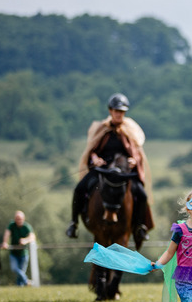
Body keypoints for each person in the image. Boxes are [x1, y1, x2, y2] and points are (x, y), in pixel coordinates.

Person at [66, 93, 153, 242]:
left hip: (124, 173)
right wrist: (95, 158)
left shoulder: (129, 131)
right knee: (79, 188)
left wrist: (133, 160)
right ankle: (74, 223)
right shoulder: (102, 129)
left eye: (122, 111)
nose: (119, 114)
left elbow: (137, 153)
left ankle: (139, 227)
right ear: (110, 110)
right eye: (116, 110)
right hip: (103, 171)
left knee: (142, 195)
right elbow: (92, 150)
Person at [2, 211, 35, 286]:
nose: (18, 221)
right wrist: (5, 242)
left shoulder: (27, 226)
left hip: (24, 253)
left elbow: (32, 237)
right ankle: (26, 281)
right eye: (17, 219)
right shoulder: (12, 225)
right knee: (14, 269)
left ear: (23, 219)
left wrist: (25, 240)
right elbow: (7, 234)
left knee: (21, 271)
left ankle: (20, 286)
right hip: (14, 253)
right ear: (14, 219)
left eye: (20, 219)